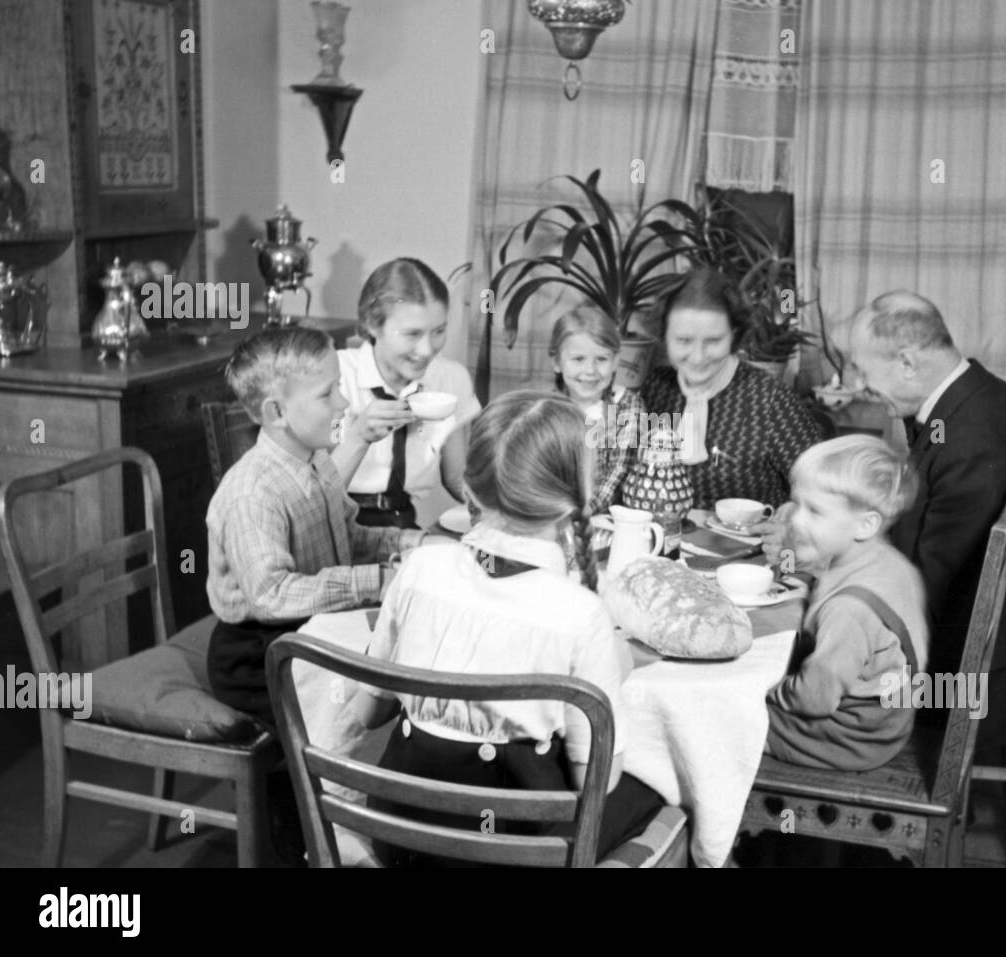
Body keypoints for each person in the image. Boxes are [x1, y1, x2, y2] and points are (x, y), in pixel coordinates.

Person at [345, 391, 664, 866]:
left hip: (401, 833)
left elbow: (368, 714)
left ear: (468, 490)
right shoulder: (581, 614)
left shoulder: (419, 568)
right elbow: (593, 780)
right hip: (512, 852)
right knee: (656, 784)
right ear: (570, 503)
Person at [760, 291, 1006, 751]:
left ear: (906, 362)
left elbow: (925, 593)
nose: (855, 382)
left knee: (781, 669)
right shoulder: (977, 399)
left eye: (862, 368)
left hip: (975, 681)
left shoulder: (972, 444)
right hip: (999, 647)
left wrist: (817, 559)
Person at [205, 326, 425, 728]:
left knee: (412, 651)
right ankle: (327, 784)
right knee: (388, 691)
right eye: (327, 394)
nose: (343, 402)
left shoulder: (317, 458)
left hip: (312, 628)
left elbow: (349, 536)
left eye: (339, 386)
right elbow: (272, 595)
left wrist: (410, 542)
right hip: (259, 655)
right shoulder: (251, 492)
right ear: (277, 413)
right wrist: (378, 580)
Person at [765, 436, 929, 771]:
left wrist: (766, 691)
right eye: (797, 504)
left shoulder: (849, 611)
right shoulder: (888, 562)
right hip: (885, 722)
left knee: (720, 718)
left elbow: (815, 698)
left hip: (849, 737)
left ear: (866, 524)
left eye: (815, 511)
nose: (797, 520)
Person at [640, 266, 822, 511]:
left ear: (734, 335)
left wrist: (788, 518)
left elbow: (822, 490)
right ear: (664, 335)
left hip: (752, 547)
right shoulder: (655, 389)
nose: (697, 356)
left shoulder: (770, 400)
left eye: (713, 341)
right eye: (683, 340)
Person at [332, 258, 481, 529]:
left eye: (438, 331)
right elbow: (309, 496)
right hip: (335, 525)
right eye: (411, 334)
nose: (426, 350)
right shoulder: (334, 377)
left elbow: (457, 477)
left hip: (402, 523)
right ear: (372, 325)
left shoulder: (450, 379)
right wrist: (358, 436)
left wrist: (502, 514)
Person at [549, 307, 646, 514]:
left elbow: (619, 469)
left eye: (601, 359)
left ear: (616, 361)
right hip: (555, 514)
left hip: (610, 516)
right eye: (578, 359)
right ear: (557, 362)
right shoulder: (548, 407)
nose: (590, 370)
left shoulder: (626, 405)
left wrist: (588, 510)